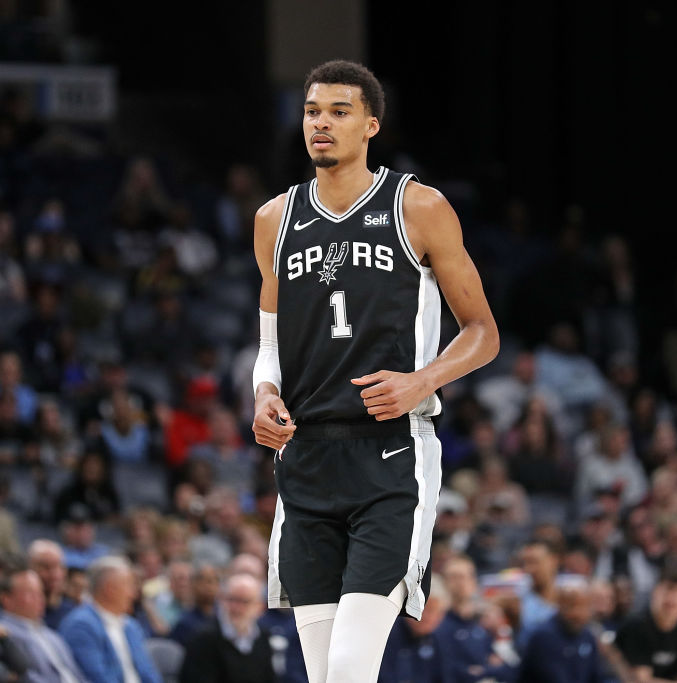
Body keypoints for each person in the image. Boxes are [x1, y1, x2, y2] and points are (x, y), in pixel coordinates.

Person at [251, 59, 499, 683]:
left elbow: (483, 333)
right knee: (323, 674)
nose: (322, 124)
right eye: (312, 111)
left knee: (351, 668)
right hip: (305, 462)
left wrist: (422, 380)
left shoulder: (417, 206)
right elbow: (270, 344)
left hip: (389, 459)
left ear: (371, 125)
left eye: (338, 112)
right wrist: (263, 393)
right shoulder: (273, 220)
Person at [58, 556, 163, 683]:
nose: (134, 594)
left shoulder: (131, 626)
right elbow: (96, 677)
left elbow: (148, 673)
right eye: (129, 586)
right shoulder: (81, 626)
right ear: (109, 589)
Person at [0, 567, 87, 683]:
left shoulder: (52, 635)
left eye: (40, 592)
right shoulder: (3, 633)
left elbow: (77, 675)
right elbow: (26, 677)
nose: (39, 598)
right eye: (30, 593)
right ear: (6, 598)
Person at [179, 572, 274, 683]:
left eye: (244, 602)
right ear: (220, 600)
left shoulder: (263, 637)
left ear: (260, 607)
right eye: (231, 599)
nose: (236, 608)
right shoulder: (203, 638)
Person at [615, 568, 677, 682]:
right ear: (655, 592)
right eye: (669, 589)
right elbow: (640, 680)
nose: (673, 598)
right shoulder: (635, 627)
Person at [516, 574, 603, 683]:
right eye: (571, 606)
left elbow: (596, 678)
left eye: (584, 606)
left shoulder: (588, 636)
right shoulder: (543, 637)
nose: (577, 613)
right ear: (558, 605)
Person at [28, 540, 76, 630]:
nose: (55, 575)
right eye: (46, 567)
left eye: (59, 567)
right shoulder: (23, 611)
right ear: (30, 568)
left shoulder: (71, 610)